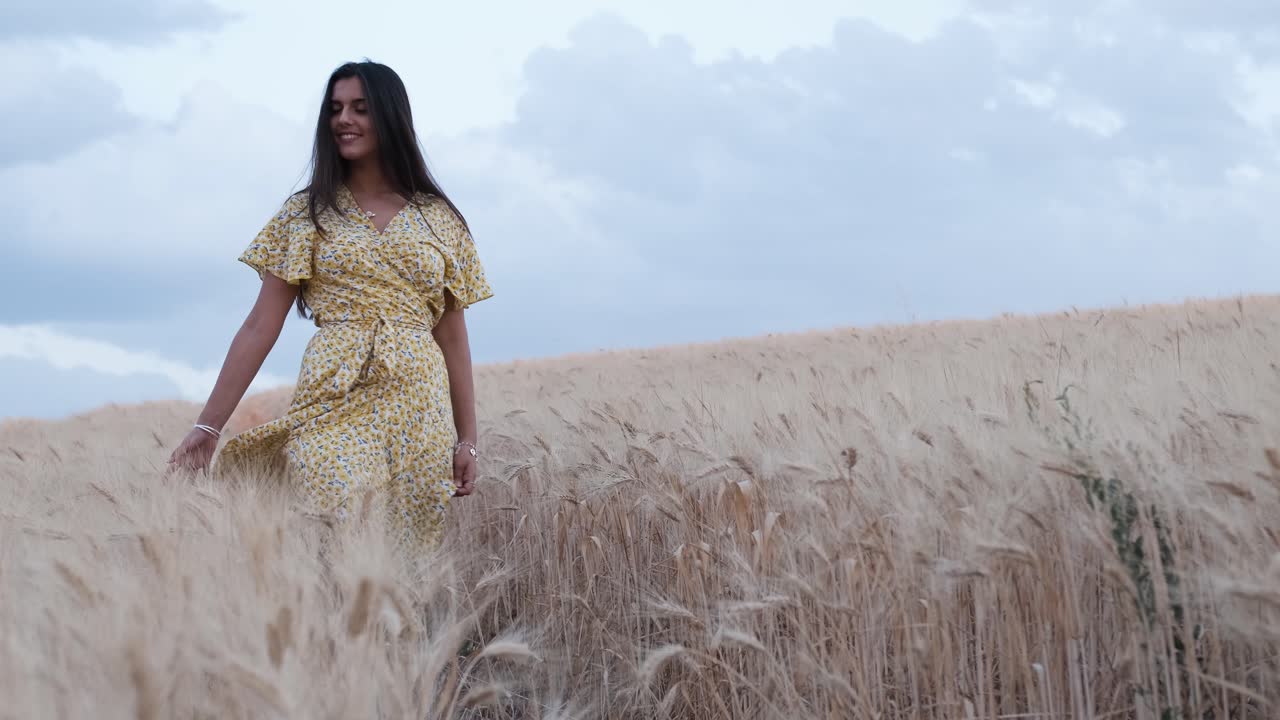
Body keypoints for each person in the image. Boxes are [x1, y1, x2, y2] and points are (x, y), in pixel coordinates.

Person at [167, 60, 494, 549]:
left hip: (419, 407)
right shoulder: (305, 212)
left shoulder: (439, 218)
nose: (344, 119)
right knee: (334, 510)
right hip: (333, 391)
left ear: (390, 116)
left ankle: (387, 628)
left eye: (360, 108)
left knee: (407, 554)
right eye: (335, 109)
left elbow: (452, 334)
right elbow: (260, 324)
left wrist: (467, 439)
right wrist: (207, 425)